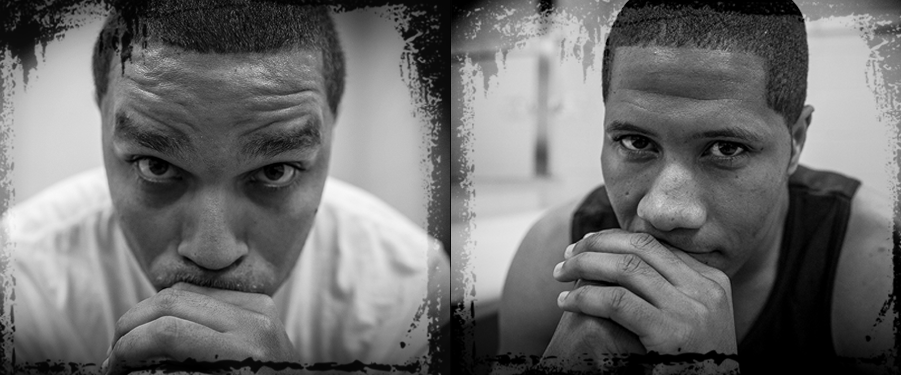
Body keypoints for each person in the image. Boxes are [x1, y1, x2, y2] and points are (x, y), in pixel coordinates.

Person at [4, 1, 449, 373]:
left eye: (275, 172)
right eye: (155, 166)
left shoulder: (407, 291)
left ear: (334, 126)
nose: (213, 252)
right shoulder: (20, 284)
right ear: (101, 121)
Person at [499, 0, 897, 374]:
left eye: (727, 148)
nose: (665, 210)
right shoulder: (553, 257)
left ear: (796, 141)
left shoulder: (877, 273)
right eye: (636, 142)